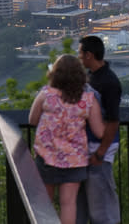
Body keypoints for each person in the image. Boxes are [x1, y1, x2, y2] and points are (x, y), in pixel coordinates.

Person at [30, 54, 106, 224]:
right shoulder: (87, 100)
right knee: (68, 204)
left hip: (46, 156)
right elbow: (99, 131)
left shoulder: (47, 94)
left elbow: (32, 120)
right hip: (75, 159)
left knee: (45, 204)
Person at [76, 35, 122, 224]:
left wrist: (101, 153)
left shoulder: (109, 83)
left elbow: (113, 120)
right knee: (90, 203)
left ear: (89, 55)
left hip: (99, 152)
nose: (78, 57)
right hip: (90, 150)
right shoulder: (94, 77)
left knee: (102, 207)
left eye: (80, 52)